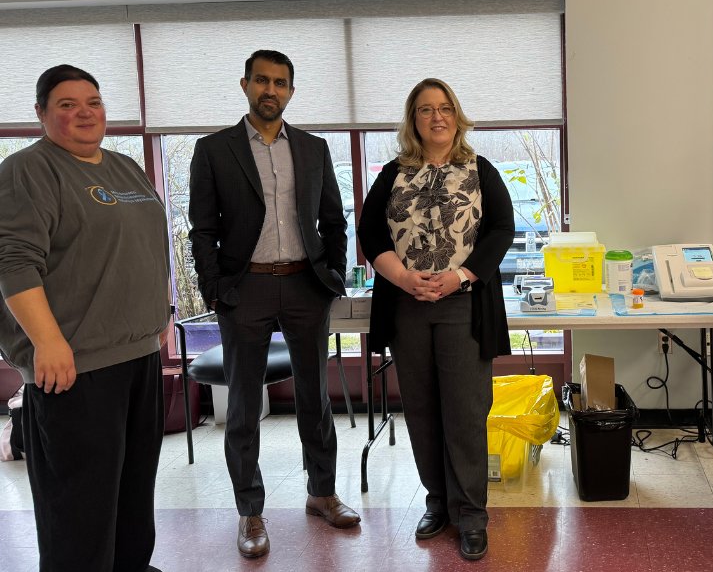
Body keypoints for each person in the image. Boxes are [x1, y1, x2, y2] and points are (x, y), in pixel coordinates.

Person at [188, 49, 358, 559]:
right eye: (262, 80)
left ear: (290, 89)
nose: (271, 90)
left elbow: (334, 218)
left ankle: (322, 492)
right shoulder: (214, 149)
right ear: (245, 85)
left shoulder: (312, 148)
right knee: (242, 405)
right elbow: (203, 229)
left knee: (316, 398)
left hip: (306, 284)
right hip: (246, 288)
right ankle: (250, 511)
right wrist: (215, 286)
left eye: (280, 82)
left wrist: (330, 272)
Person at [0, 65, 170, 571]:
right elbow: (14, 261)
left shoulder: (124, 167)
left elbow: (146, 242)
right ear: (40, 114)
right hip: (75, 364)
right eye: (67, 104)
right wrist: (47, 344)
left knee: (134, 491)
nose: (83, 113)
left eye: (92, 102)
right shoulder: (28, 170)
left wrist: (162, 307)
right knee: (81, 504)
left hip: (136, 354)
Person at [358, 78, 514, 561]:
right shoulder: (392, 173)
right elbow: (368, 231)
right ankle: (437, 502)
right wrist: (403, 278)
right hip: (406, 305)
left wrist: (461, 277)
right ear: (414, 120)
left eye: (445, 108)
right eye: (426, 110)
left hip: (462, 304)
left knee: (465, 412)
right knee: (422, 410)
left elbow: (502, 229)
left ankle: (471, 514)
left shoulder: (479, 170)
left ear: (457, 115)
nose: (437, 117)